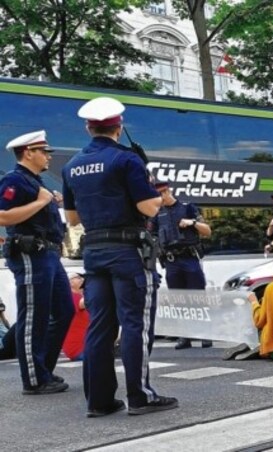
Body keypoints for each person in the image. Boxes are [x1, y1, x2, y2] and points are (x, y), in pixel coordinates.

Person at [62, 96, 177, 417]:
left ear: (88, 127)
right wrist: (152, 188)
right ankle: (139, 396)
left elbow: (72, 219)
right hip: (128, 253)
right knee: (135, 324)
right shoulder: (127, 160)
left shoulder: (72, 166)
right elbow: (148, 207)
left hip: (94, 254)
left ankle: (99, 401)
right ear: (119, 126)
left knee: (100, 326)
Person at [0, 130, 73, 395]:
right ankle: (34, 379)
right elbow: (3, 217)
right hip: (32, 254)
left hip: (50, 254)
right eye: (43, 152)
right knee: (33, 317)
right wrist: (42, 201)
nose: (48, 157)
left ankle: (43, 370)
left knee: (64, 310)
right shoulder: (14, 181)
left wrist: (49, 201)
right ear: (28, 153)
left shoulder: (35, 182)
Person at [150, 180, 213, 350]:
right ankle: (184, 337)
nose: (161, 197)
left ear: (169, 191)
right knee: (178, 300)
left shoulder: (188, 207)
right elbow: (152, 236)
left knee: (197, 297)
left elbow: (207, 230)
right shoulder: (157, 214)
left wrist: (192, 223)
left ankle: (205, 335)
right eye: (158, 194)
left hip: (189, 258)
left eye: (163, 193)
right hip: (171, 262)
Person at [62, 273, 90, 361]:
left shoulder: (78, 297)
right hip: (80, 349)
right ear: (70, 283)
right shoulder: (71, 297)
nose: (82, 279)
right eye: (78, 277)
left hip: (85, 346)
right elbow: (86, 302)